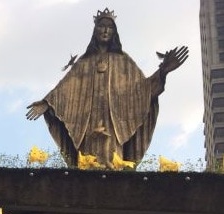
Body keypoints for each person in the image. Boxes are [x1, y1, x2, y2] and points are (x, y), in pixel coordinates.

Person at [26, 8, 188, 168]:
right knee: (89, 162)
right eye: (101, 26)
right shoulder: (84, 62)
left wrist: (162, 72)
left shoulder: (124, 62)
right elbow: (65, 90)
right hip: (87, 124)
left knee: (112, 160)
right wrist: (47, 103)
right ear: (95, 30)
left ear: (114, 33)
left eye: (109, 27)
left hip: (114, 123)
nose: (105, 30)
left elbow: (142, 90)